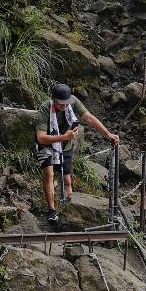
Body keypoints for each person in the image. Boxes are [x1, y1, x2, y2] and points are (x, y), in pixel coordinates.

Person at [35, 83, 119, 223]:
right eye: (61, 104)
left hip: (66, 146)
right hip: (47, 145)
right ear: (53, 98)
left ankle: (68, 209)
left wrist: (107, 133)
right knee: (49, 174)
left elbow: (89, 117)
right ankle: (51, 210)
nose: (64, 106)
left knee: (67, 181)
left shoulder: (72, 102)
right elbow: (41, 137)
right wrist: (63, 137)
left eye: (66, 103)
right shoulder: (44, 109)